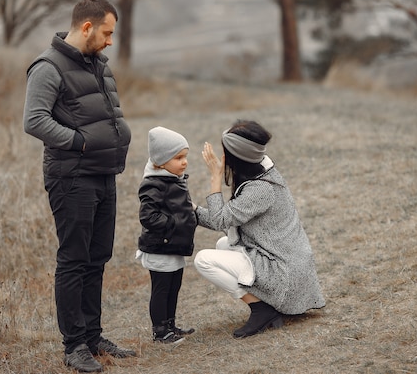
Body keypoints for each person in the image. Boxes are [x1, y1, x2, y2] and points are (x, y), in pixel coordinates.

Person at [23, 0, 135, 373]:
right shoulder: (47, 66)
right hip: (71, 177)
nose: (109, 41)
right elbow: (34, 120)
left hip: (104, 173)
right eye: (106, 32)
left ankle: (92, 336)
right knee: (73, 259)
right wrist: (79, 142)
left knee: (97, 257)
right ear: (86, 27)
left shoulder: (98, 64)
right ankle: (74, 347)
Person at [193, 119, 325, 339]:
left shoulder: (260, 190)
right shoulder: (262, 171)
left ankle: (262, 310)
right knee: (223, 245)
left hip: (285, 275)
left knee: (203, 260)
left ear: (236, 157)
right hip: (287, 264)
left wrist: (215, 178)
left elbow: (219, 221)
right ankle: (265, 307)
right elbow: (225, 220)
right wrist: (193, 211)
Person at [136, 126, 198, 345]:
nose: (184, 162)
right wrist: (173, 225)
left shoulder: (174, 179)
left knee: (174, 287)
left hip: (173, 247)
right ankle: (160, 331)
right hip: (160, 248)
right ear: (161, 162)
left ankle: (170, 324)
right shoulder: (153, 184)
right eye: (178, 157)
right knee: (162, 290)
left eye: (185, 157)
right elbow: (148, 216)